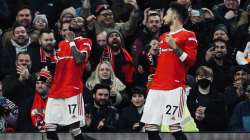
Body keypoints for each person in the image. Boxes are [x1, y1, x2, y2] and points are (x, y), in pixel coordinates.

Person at [140, 2, 198, 140]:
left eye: (166, 13)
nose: (163, 16)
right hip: (157, 87)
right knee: (150, 128)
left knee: (174, 128)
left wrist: (175, 47)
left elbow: (190, 61)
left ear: (175, 15)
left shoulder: (188, 35)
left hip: (174, 87)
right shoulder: (162, 37)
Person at [44, 26, 93, 140]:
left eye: (79, 21)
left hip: (72, 89)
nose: (76, 22)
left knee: (75, 129)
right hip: (56, 90)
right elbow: (55, 66)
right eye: (64, 29)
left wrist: (71, 42)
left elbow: (79, 59)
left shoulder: (85, 41)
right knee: (49, 128)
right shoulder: (60, 44)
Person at [2, 52, 36, 132]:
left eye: (27, 61)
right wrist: (20, 80)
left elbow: (42, 92)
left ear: (31, 63)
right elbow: (6, 93)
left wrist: (29, 78)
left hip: (31, 113)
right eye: (21, 60)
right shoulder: (9, 77)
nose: (24, 63)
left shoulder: (35, 77)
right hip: (13, 114)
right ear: (16, 63)